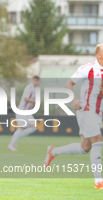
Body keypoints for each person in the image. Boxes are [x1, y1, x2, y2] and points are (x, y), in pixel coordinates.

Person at [44, 44, 103, 189]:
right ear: (99, 55)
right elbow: (69, 84)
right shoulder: (88, 68)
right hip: (86, 110)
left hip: (98, 113)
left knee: (85, 147)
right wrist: (74, 100)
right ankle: (99, 182)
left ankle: (53, 151)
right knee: (97, 141)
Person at [7, 76, 40, 151]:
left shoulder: (35, 89)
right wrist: (35, 101)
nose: (36, 82)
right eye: (35, 80)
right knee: (22, 127)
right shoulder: (29, 87)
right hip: (22, 110)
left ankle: (15, 137)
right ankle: (11, 145)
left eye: (37, 81)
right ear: (32, 80)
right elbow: (25, 98)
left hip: (28, 112)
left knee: (34, 127)